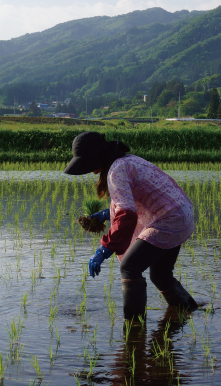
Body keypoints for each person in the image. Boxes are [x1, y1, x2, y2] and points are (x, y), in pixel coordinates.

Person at [63, 131, 198, 319]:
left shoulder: (116, 171)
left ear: (96, 157)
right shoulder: (126, 161)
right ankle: (190, 311)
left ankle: (134, 327)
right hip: (181, 214)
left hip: (169, 219)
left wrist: (105, 248)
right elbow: (131, 203)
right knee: (160, 275)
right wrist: (106, 214)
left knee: (129, 267)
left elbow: (126, 216)